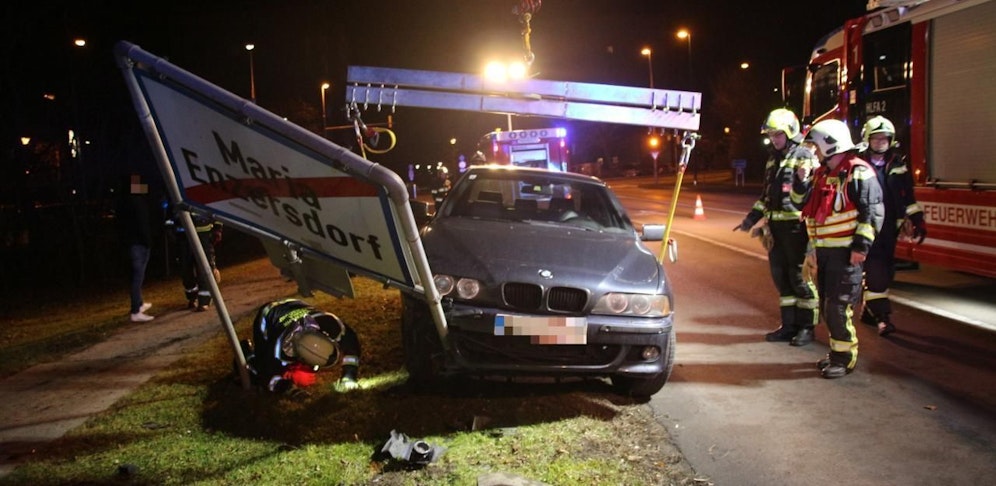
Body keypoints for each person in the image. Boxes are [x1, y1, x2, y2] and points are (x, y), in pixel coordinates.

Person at [801, 119, 884, 379]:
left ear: (830, 145)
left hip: (847, 254)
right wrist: (812, 248)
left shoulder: (858, 172)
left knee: (838, 308)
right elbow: (813, 214)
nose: (814, 151)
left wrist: (861, 247)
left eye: (816, 146)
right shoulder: (822, 174)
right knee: (828, 308)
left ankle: (844, 358)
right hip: (826, 253)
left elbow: (872, 213)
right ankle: (836, 352)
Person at [734, 108, 820, 346]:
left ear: (790, 132)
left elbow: (809, 196)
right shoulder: (773, 159)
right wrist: (751, 219)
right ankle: (789, 326)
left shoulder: (804, 155)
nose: (774, 139)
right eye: (771, 135)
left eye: (778, 134)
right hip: (776, 229)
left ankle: (806, 328)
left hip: (796, 229)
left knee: (799, 278)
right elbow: (767, 196)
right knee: (781, 279)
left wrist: (803, 180)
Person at [858, 116, 927, 336]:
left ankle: (869, 311)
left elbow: (907, 196)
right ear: (867, 139)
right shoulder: (857, 163)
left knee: (886, 272)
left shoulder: (898, 164)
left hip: (889, 228)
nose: (880, 142)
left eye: (884, 139)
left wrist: (917, 219)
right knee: (876, 272)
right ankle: (883, 318)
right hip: (865, 227)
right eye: (876, 138)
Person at [241, 299, 361, 394]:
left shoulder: (330, 323)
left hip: (293, 304)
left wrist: (349, 375)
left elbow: (351, 343)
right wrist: (289, 385)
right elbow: (267, 377)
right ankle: (245, 353)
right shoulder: (277, 353)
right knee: (258, 367)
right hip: (268, 315)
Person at [166, 206, 222, 311]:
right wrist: (169, 227)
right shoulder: (173, 196)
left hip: (203, 233)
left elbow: (216, 206)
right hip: (183, 236)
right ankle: (192, 297)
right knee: (185, 269)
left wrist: (218, 228)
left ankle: (204, 300)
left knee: (203, 268)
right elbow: (170, 210)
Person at [118, 174, 156, 322]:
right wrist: (147, 241)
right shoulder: (136, 202)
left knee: (137, 276)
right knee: (137, 277)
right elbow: (142, 224)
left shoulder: (125, 201)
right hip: (138, 243)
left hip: (133, 242)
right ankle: (135, 311)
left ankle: (138, 304)